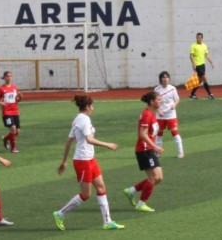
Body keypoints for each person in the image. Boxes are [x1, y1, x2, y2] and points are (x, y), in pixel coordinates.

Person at [53, 94, 125, 231]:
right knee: (86, 194)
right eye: (92, 105)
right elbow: (89, 139)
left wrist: (64, 161)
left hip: (90, 159)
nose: (93, 108)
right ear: (87, 107)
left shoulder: (78, 119)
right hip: (82, 161)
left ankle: (107, 221)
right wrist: (108, 144)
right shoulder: (83, 119)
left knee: (101, 187)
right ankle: (60, 213)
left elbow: (69, 141)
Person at [123, 91, 164, 212]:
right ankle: (141, 203)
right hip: (144, 149)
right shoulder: (147, 115)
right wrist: (155, 146)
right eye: (158, 100)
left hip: (149, 149)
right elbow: (142, 134)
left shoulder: (152, 113)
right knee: (153, 177)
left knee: (159, 178)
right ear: (152, 102)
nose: (160, 101)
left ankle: (131, 191)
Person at [154, 71, 184, 158]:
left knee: (174, 132)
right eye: (163, 77)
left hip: (171, 115)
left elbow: (177, 99)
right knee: (159, 133)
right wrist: (159, 111)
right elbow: (154, 102)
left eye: (167, 77)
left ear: (169, 79)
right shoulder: (157, 90)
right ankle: (157, 153)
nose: (165, 79)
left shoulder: (172, 88)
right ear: (160, 79)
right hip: (160, 115)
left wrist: (174, 105)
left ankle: (180, 152)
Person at [0, 70, 23, 153]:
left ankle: (5, 139)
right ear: (4, 77)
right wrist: (1, 103)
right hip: (6, 112)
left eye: (10, 76)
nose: (9, 78)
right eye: (7, 76)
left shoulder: (15, 88)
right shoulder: (1, 89)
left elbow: (18, 100)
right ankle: (13, 148)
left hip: (15, 111)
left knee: (17, 131)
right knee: (13, 129)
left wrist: (21, 97)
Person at [189, 32, 215, 99]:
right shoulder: (193, 46)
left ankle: (192, 94)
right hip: (197, 65)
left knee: (200, 81)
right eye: (197, 38)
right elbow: (191, 56)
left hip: (203, 65)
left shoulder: (204, 46)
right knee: (204, 78)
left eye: (200, 38)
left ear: (202, 38)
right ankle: (210, 94)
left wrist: (211, 62)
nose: (198, 39)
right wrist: (193, 63)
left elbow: (206, 55)